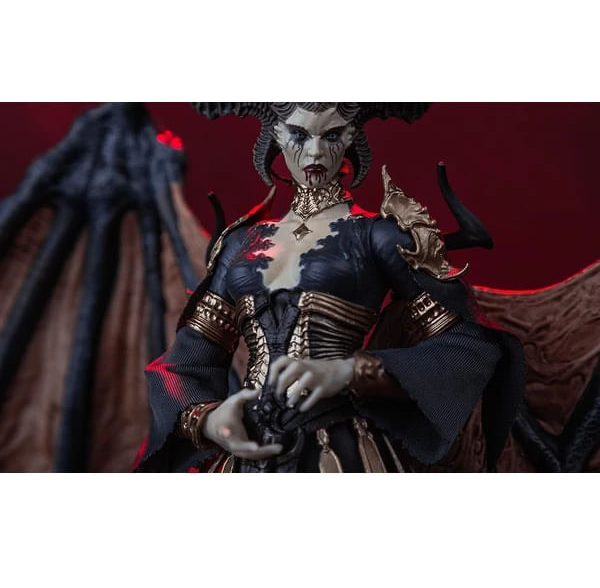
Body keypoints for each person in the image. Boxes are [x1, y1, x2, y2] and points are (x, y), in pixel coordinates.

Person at [135, 102, 525, 473]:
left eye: (332, 135)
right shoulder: (241, 243)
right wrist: (208, 418)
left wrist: (350, 371)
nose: (316, 152)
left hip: (341, 448)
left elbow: (468, 344)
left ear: (352, 137)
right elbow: (187, 360)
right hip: (247, 454)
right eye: (299, 135)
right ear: (276, 134)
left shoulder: (378, 236)